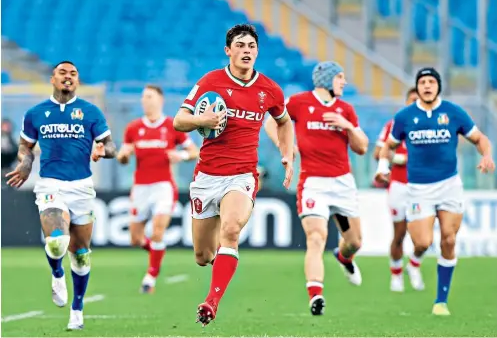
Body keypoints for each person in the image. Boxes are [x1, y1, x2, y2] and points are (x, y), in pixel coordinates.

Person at [173, 24, 294, 326]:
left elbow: (284, 121)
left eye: (251, 45)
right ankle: (223, 262)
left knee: (231, 229)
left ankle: (211, 302)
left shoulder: (269, 89)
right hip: (207, 176)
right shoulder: (210, 82)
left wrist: (287, 154)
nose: (246, 50)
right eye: (240, 45)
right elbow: (179, 121)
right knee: (202, 255)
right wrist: (204, 119)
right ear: (228, 51)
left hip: (242, 176)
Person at [5, 61, 116, 329]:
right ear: (53, 79)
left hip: (82, 187)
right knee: (56, 243)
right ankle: (56, 274)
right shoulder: (35, 113)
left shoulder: (90, 112)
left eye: (73, 74)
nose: (68, 77)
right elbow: (24, 147)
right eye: (63, 73)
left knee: (80, 255)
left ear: (77, 81)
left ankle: (77, 308)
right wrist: (26, 161)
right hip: (50, 185)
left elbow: (111, 145)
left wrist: (103, 150)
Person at [375, 67, 495, 315]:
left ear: (438, 86)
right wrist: (383, 166)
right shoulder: (405, 116)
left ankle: (441, 301)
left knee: (449, 240)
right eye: (422, 82)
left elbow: (480, 138)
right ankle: (415, 260)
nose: (427, 86)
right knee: (422, 241)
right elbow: (388, 146)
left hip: (449, 185)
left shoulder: (453, 112)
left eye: (431, 82)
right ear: (417, 87)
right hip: (418, 189)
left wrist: (487, 155)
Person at [264, 61, 369, 316]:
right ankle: (316, 296)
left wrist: (347, 127)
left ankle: (344, 257)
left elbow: (362, 146)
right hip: (313, 185)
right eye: (340, 77)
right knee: (316, 237)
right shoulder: (300, 102)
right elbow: (272, 122)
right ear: (327, 80)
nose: (344, 82)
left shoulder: (346, 109)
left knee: (354, 241)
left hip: (342, 185)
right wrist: (286, 146)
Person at [116, 84, 199, 293]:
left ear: (160, 100)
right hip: (141, 187)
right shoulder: (133, 128)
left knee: (158, 229)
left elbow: (194, 151)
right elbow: (123, 155)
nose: (146, 101)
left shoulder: (172, 126)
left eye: (150, 97)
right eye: (143, 97)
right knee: (135, 238)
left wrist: (180, 156)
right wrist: (124, 156)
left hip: (163, 186)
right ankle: (157, 251)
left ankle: (151, 276)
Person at [373, 87, 425, 292]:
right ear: (406, 102)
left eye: (418, 101)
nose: (414, 104)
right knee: (399, 234)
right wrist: (396, 159)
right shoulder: (394, 125)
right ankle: (396, 275)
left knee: (422, 239)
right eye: (411, 100)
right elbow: (378, 152)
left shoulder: (428, 127)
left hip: (422, 188)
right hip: (398, 187)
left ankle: (414, 265)